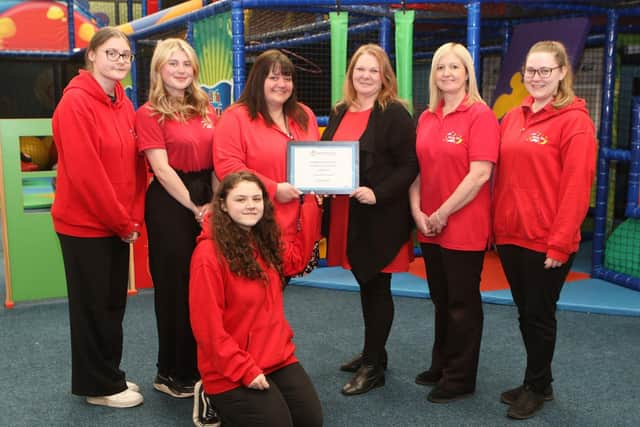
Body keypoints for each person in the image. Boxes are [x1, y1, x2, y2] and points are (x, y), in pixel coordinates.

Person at [493, 40, 596, 420]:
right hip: (510, 234)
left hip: (546, 240)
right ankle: (539, 379)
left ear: (562, 73)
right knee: (526, 312)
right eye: (530, 71)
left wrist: (560, 242)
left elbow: (576, 189)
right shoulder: (514, 117)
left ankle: (537, 387)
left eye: (544, 71)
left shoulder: (575, 122)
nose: (535, 78)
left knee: (539, 314)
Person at [51, 27, 146, 408]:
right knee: (92, 307)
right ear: (91, 55)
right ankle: (98, 386)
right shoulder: (74, 105)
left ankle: (110, 374)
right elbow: (86, 174)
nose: (120, 60)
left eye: (125, 55)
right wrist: (123, 223)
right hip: (85, 227)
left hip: (118, 225)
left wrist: (132, 218)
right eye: (111, 53)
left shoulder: (124, 103)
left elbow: (135, 167)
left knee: (112, 304)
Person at [189, 171, 323, 427]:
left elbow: (297, 261)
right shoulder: (207, 256)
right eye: (240, 199)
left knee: (310, 421)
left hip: (275, 356)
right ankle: (210, 397)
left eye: (256, 198)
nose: (250, 205)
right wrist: (244, 370)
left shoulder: (264, 240)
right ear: (224, 206)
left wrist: (311, 206)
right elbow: (207, 330)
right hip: (229, 367)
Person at [321, 43, 418, 395]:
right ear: (351, 74)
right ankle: (373, 351)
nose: (365, 76)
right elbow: (329, 155)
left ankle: (374, 366)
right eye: (359, 69)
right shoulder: (341, 110)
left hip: (381, 215)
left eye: (373, 71)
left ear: (384, 77)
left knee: (377, 287)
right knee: (366, 284)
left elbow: (410, 165)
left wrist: (378, 192)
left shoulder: (394, 113)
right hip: (349, 215)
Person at [409, 42, 499, 404]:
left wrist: (443, 213)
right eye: (440, 67)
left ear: (467, 73)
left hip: (462, 225)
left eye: (454, 67)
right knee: (440, 298)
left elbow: (479, 175)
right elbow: (417, 172)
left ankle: (460, 377)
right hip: (429, 225)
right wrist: (417, 213)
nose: (447, 73)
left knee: (462, 302)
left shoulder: (480, 115)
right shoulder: (427, 117)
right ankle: (442, 363)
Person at [135, 38, 218, 398]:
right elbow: (162, 170)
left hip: (209, 196)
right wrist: (195, 207)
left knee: (206, 286)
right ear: (159, 69)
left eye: (186, 63)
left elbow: (219, 159)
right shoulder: (148, 113)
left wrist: (215, 201)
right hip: (172, 202)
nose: (181, 70)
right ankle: (170, 372)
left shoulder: (208, 108)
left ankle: (203, 366)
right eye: (173, 63)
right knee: (175, 288)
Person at [213, 49, 320, 276]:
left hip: (302, 222)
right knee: (256, 294)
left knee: (278, 294)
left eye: (287, 78)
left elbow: (316, 158)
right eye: (273, 77)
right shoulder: (236, 117)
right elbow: (228, 166)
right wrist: (272, 189)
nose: (281, 84)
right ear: (258, 80)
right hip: (257, 221)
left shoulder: (305, 115)